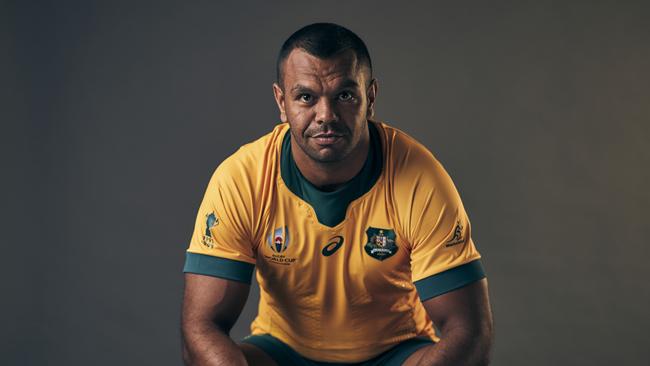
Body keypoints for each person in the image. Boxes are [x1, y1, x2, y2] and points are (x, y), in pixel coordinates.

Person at [181, 23, 493, 366]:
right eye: (306, 97)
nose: (326, 116)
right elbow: (201, 327)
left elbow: (469, 331)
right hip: (283, 352)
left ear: (370, 98)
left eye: (344, 96)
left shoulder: (420, 177)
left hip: (396, 351)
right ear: (281, 102)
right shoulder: (242, 178)